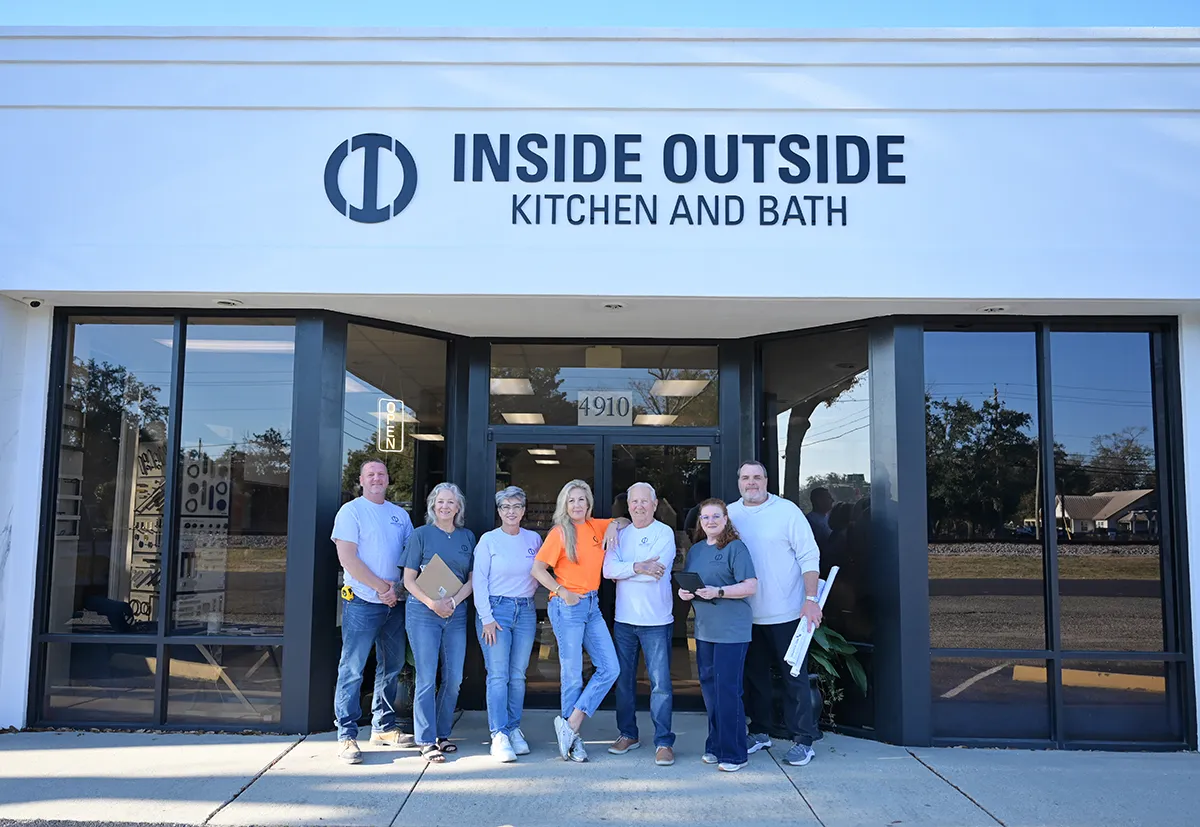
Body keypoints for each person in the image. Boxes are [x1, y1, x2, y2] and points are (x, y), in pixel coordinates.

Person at [727, 460, 822, 767]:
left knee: (793, 678)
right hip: (746, 614)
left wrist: (811, 599)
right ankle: (760, 732)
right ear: (739, 481)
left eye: (756, 477)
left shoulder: (787, 512)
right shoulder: (730, 514)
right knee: (755, 679)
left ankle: (803, 740)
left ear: (766, 480)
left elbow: (809, 555)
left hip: (787, 613)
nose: (751, 482)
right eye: (745, 478)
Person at [530, 479, 626, 762]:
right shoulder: (560, 533)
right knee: (572, 673)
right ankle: (573, 741)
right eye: (571, 500)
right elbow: (537, 569)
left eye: (581, 500)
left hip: (592, 605)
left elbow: (623, 519)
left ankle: (570, 725)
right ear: (564, 504)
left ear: (589, 503)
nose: (576, 505)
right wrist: (561, 591)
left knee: (610, 667)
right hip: (567, 606)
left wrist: (612, 525)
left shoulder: (596, 526)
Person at [330, 459, 414, 764]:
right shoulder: (351, 512)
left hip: (395, 603)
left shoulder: (399, 515)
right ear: (362, 481)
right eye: (371, 475)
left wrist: (399, 590)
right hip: (363, 602)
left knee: (390, 667)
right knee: (352, 669)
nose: (377, 478)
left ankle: (383, 727)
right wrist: (382, 588)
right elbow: (348, 559)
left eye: (381, 474)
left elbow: (410, 557)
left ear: (388, 480)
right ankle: (346, 735)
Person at [679, 498, 758, 772]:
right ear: (700, 522)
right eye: (705, 518)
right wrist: (684, 592)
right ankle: (715, 745)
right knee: (710, 692)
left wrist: (719, 592)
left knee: (727, 691)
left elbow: (750, 586)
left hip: (732, 632)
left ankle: (735, 753)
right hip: (704, 630)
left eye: (716, 516)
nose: (710, 521)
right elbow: (690, 582)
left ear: (726, 519)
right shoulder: (697, 550)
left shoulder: (736, 548)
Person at [602, 482, 678, 766]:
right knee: (624, 682)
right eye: (634, 502)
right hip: (625, 621)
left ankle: (663, 742)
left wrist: (630, 570)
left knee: (660, 684)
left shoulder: (664, 533)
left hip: (657, 621)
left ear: (655, 504)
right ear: (628, 505)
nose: (639, 506)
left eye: (645, 501)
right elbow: (608, 570)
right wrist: (637, 566)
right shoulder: (619, 533)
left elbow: (656, 573)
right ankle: (627, 734)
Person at [402, 482, 475, 763]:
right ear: (433, 505)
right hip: (423, 614)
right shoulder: (420, 535)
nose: (445, 507)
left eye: (451, 503)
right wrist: (432, 603)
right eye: (440, 502)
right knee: (426, 677)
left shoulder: (467, 537)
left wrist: (453, 603)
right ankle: (425, 739)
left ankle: (443, 734)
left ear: (458, 508)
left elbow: (472, 579)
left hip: (455, 614)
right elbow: (408, 580)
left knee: (454, 678)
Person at [472, 486, 542, 763]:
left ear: (524, 510)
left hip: (525, 610)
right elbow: (479, 580)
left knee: (518, 675)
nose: (510, 511)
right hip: (496, 611)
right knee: (498, 675)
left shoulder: (534, 539)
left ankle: (513, 729)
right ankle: (498, 733)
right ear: (498, 511)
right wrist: (486, 618)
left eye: (516, 506)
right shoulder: (488, 540)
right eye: (505, 507)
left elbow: (539, 573)